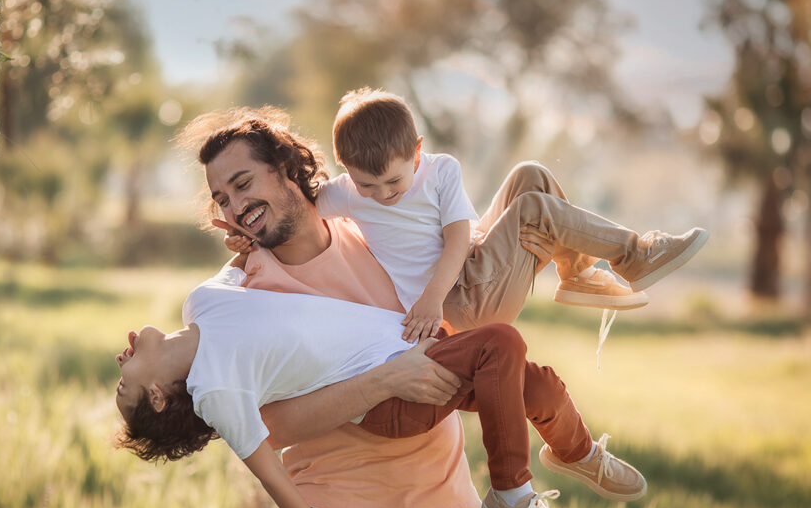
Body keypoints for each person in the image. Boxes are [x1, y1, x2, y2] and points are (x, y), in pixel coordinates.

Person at [169, 106, 644, 508]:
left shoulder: (372, 223)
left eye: (243, 184)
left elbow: (459, 289)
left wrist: (533, 244)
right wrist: (385, 380)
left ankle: (577, 445)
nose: (237, 206)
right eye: (223, 199)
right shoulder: (244, 288)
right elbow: (268, 430)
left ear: (287, 168)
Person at [114, 268, 610, 508]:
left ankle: (577, 452)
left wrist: (242, 235)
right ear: (158, 396)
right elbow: (270, 476)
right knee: (500, 341)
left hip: (412, 348)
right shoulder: (214, 390)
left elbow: (244, 260)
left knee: (537, 388)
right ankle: (510, 492)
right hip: (394, 398)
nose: (120, 359)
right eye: (122, 383)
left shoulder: (200, 302)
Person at [226, 87, 708, 344]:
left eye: (394, 182)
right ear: (348, 172)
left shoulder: (440, 172)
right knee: (534, 209)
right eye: (368, 186)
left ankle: (576, 272)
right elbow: (295, 212)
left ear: (417, 153)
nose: (383, 195)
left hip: (469, 271)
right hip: (462, 302)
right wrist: (245, 230)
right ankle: (633, 255)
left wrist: (493, 250)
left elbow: (460, 236)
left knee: (530, 175)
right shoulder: (349, 194)